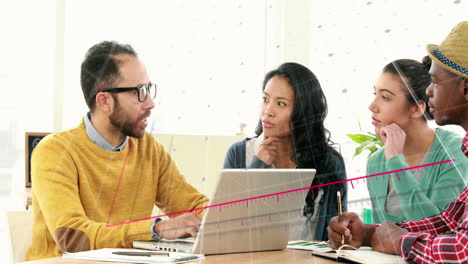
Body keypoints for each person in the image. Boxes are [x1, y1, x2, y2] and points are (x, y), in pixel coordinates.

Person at [27, 41, 208, 260]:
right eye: (139, 92)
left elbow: (193, 205)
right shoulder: (54, 152)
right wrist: (157, 229)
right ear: (104, 101)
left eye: (149, 89)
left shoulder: (148, 149)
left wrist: (231, 217)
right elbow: (73, 238)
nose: (150, 103)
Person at [328, 21, 468, 263]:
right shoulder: (377, 161)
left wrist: (401, 242)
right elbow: (448, 220)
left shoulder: (454, 153)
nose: (429, 91)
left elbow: (461, 248)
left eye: (435, 82)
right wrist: (370, 232)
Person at [223, 62, 347, 241]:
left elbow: (337, 236)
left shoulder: (330, 162)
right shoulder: (238, 154)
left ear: (303, 112)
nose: (268, 111)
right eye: (265, 99)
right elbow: (226, 229)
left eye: (281, 103)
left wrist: (341, 232)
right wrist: (258, 166)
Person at [367, 58, 467, 224]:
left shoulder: (456, 152)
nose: (372, 106)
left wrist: (395, 162)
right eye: (374, 94)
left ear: (416, 108)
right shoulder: (375, 162)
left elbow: (436, 229)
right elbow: (381, 231)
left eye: (385, 97)